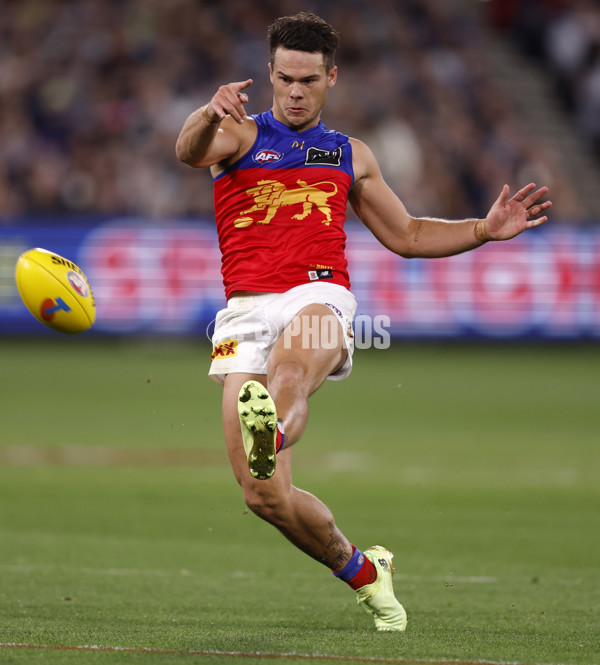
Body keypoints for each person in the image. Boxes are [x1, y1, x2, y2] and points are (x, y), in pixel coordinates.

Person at [176, 12, 551, 632]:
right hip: (244, 311)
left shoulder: (350, 154)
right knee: (263, 497)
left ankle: (269, 431)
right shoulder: (237, 135)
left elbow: (406, 234)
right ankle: (363, 570)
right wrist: (206, 113)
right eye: (286, 78)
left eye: (309, 79)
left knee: (292, 370)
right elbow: (188, 151)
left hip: (319, 297)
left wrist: (484, 229)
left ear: (331, 78)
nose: (296, 91)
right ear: (270, 74)